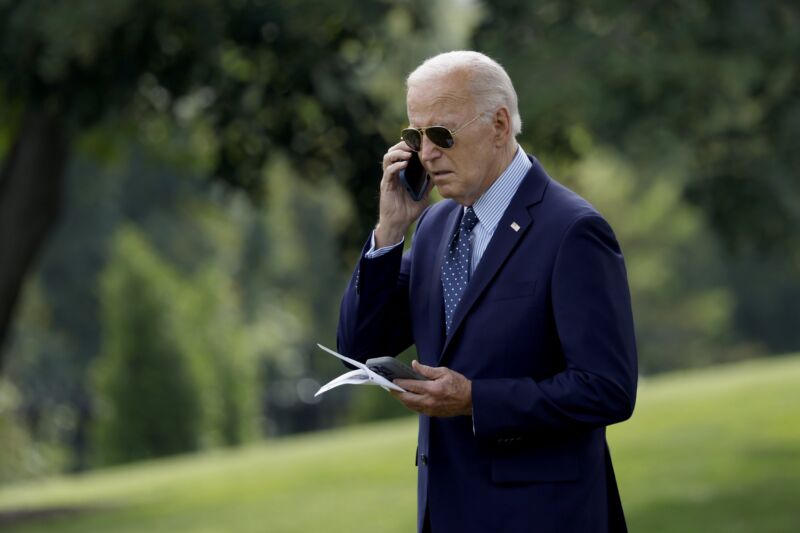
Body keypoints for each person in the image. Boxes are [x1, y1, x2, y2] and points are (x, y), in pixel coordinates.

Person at [337, 50, 638, 533]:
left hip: (544, 518)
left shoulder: (574, 231)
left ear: (499, 124)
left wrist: (477, 399)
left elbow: (608, 390)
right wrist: (389, 232)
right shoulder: (433, 225)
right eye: (414, 136)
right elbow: (359, 348)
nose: (426, 154)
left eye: (441, 134)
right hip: (446, 513)